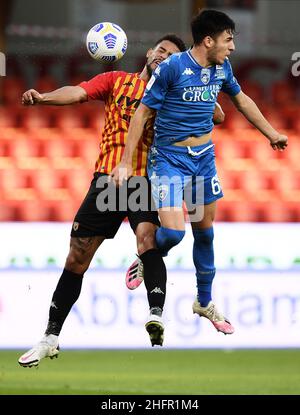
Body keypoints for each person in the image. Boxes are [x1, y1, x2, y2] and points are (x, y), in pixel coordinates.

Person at [111, 10, 288, 337]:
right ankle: (147, 255)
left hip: (202, 161)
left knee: (204, 233)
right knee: (176, 234)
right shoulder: (172, 68)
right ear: (209, 40)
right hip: (169, 160)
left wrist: (271, 133)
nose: (232, 46)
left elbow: (242, 100)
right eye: (228, 39)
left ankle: (204, 302)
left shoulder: (222, 68)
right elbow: (142, 112)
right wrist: (124, 162)